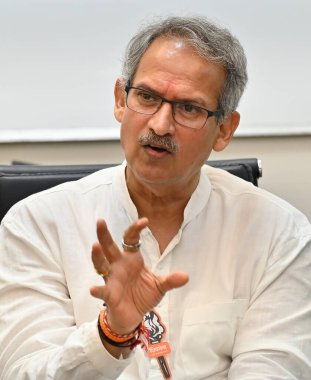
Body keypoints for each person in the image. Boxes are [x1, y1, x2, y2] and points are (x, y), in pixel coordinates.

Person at [0, 15, 310, 380]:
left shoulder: (279, 233)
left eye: (189, 108)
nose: (161, 125)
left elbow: (273, 371)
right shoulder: (38, 224)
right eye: (147, 97)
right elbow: (23, 373)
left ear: (224, 130)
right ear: (120, 100)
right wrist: (110, 334)